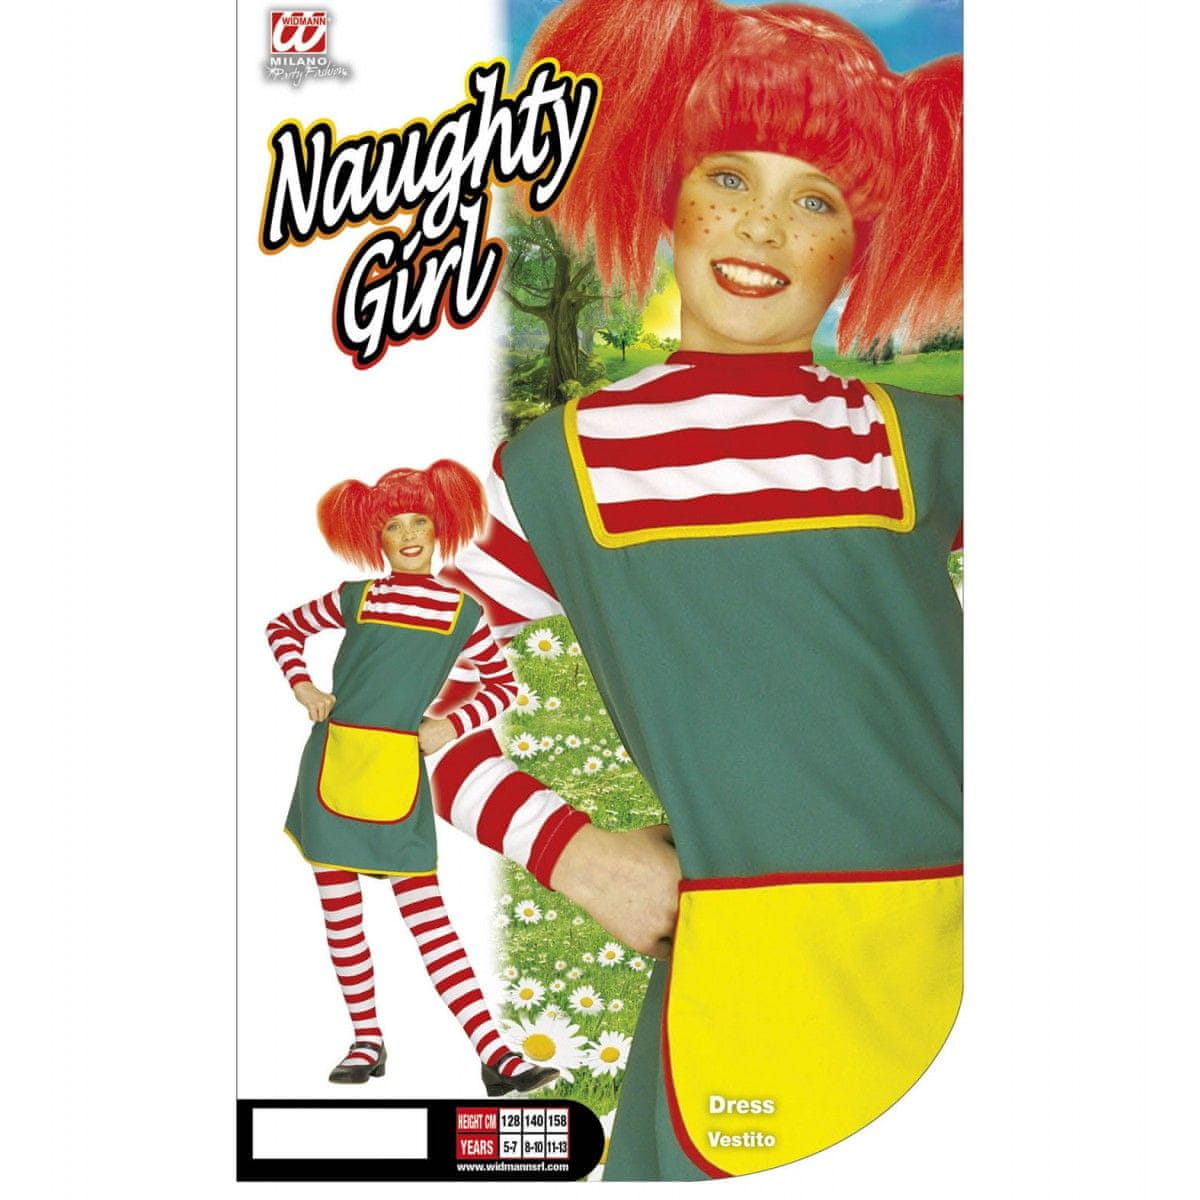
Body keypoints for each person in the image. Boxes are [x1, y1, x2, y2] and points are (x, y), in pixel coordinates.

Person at [432, 0, 963, 1179]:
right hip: (752, 976)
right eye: (729, 177)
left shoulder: (928, 440)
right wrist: (573, 852)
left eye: (817, 201)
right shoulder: (560, 470)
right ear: (665, 195)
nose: (764, 224)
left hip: (964, 953)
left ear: (861, 247)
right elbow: (380, 692)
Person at [267, 460, 557, 1094]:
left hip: (398, 774)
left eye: (418, 521)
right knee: (341, 913)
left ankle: (495, 1054)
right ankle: (366, 1040)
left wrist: (449, 727)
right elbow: (283, 627)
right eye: (393, 525)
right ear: (375, 536)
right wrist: (304, 686)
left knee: (428, 917)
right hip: (333, 765)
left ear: (439, 527)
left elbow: (501, 686)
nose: (407, 535)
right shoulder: (357, 597)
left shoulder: (462, 612)